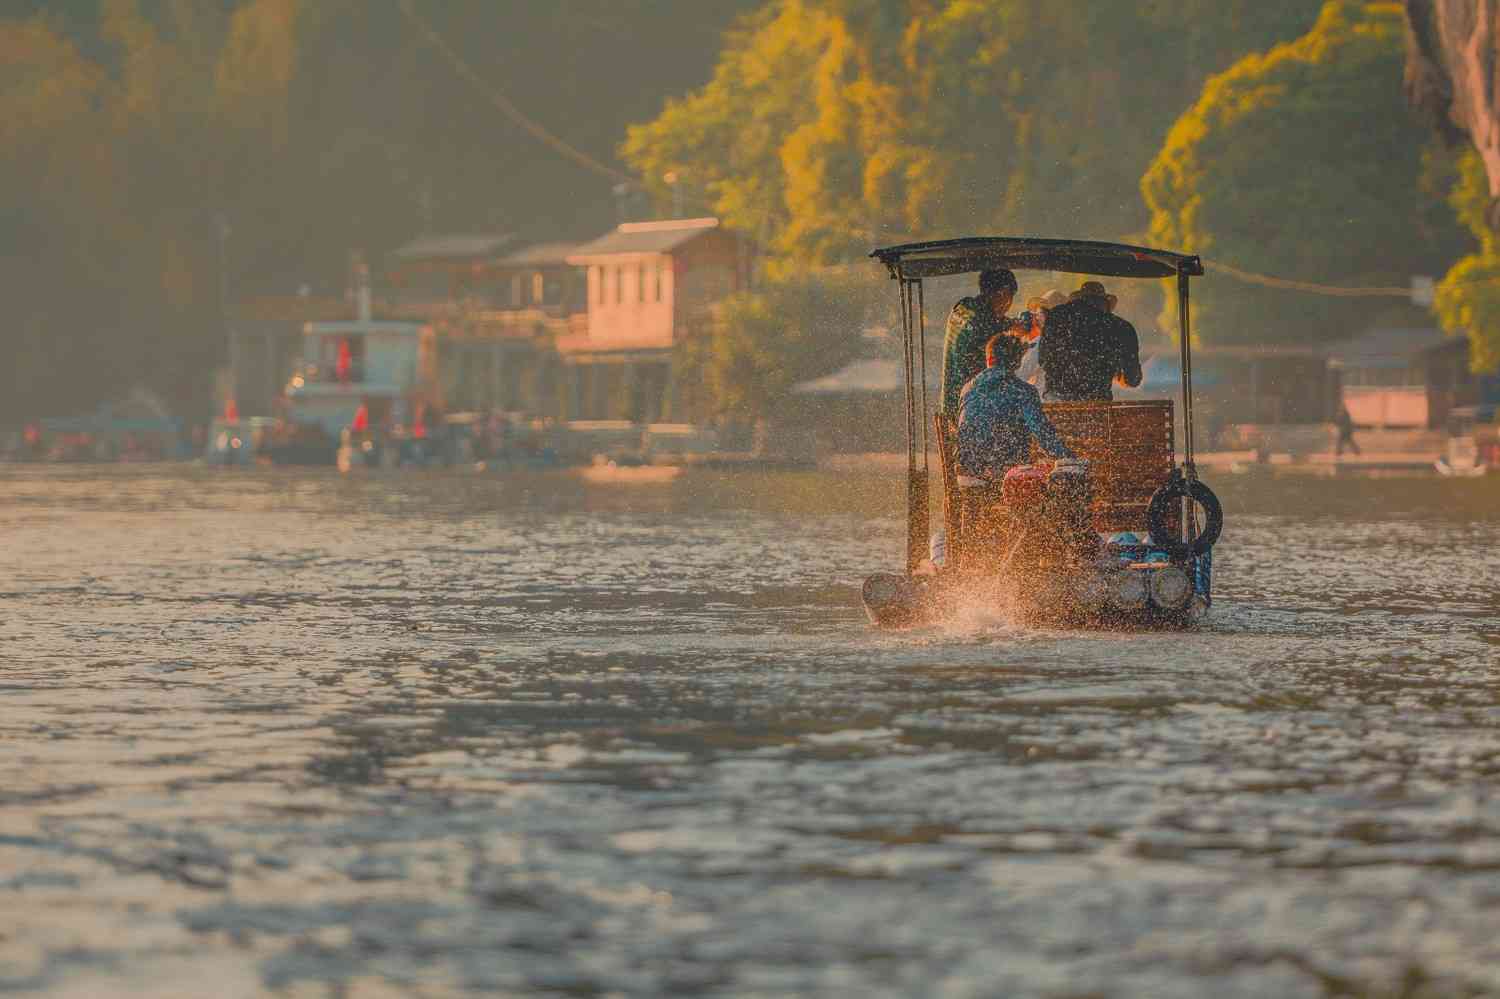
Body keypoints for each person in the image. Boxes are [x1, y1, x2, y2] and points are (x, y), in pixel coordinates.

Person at [957, 333, 1076, 481]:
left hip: (967, 472)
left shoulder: (967, 389)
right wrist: (1068, 458)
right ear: (1017, 362)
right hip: (1004, 476)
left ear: (989, 359)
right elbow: (1042, 433)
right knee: (1051, 477)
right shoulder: (1023, 391)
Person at [940, 269, 1041, 425]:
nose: (1008, 304)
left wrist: (1010, 325)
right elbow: (1004, 362)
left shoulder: (964, 306)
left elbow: (987, 322)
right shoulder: (984, 325)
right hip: (970, 408)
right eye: (1008, 297)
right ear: (1003, 293)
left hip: (951, 403)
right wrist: (1017, 337)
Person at [1037, 280, 1142, 401]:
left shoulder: (1055, 316)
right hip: (1097, 405)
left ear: (1078, 299)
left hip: (1056, 403)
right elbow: (1133, 379)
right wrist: (1110, 370)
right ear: (1105, 304)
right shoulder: (1121, 327)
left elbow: (1043, 360)